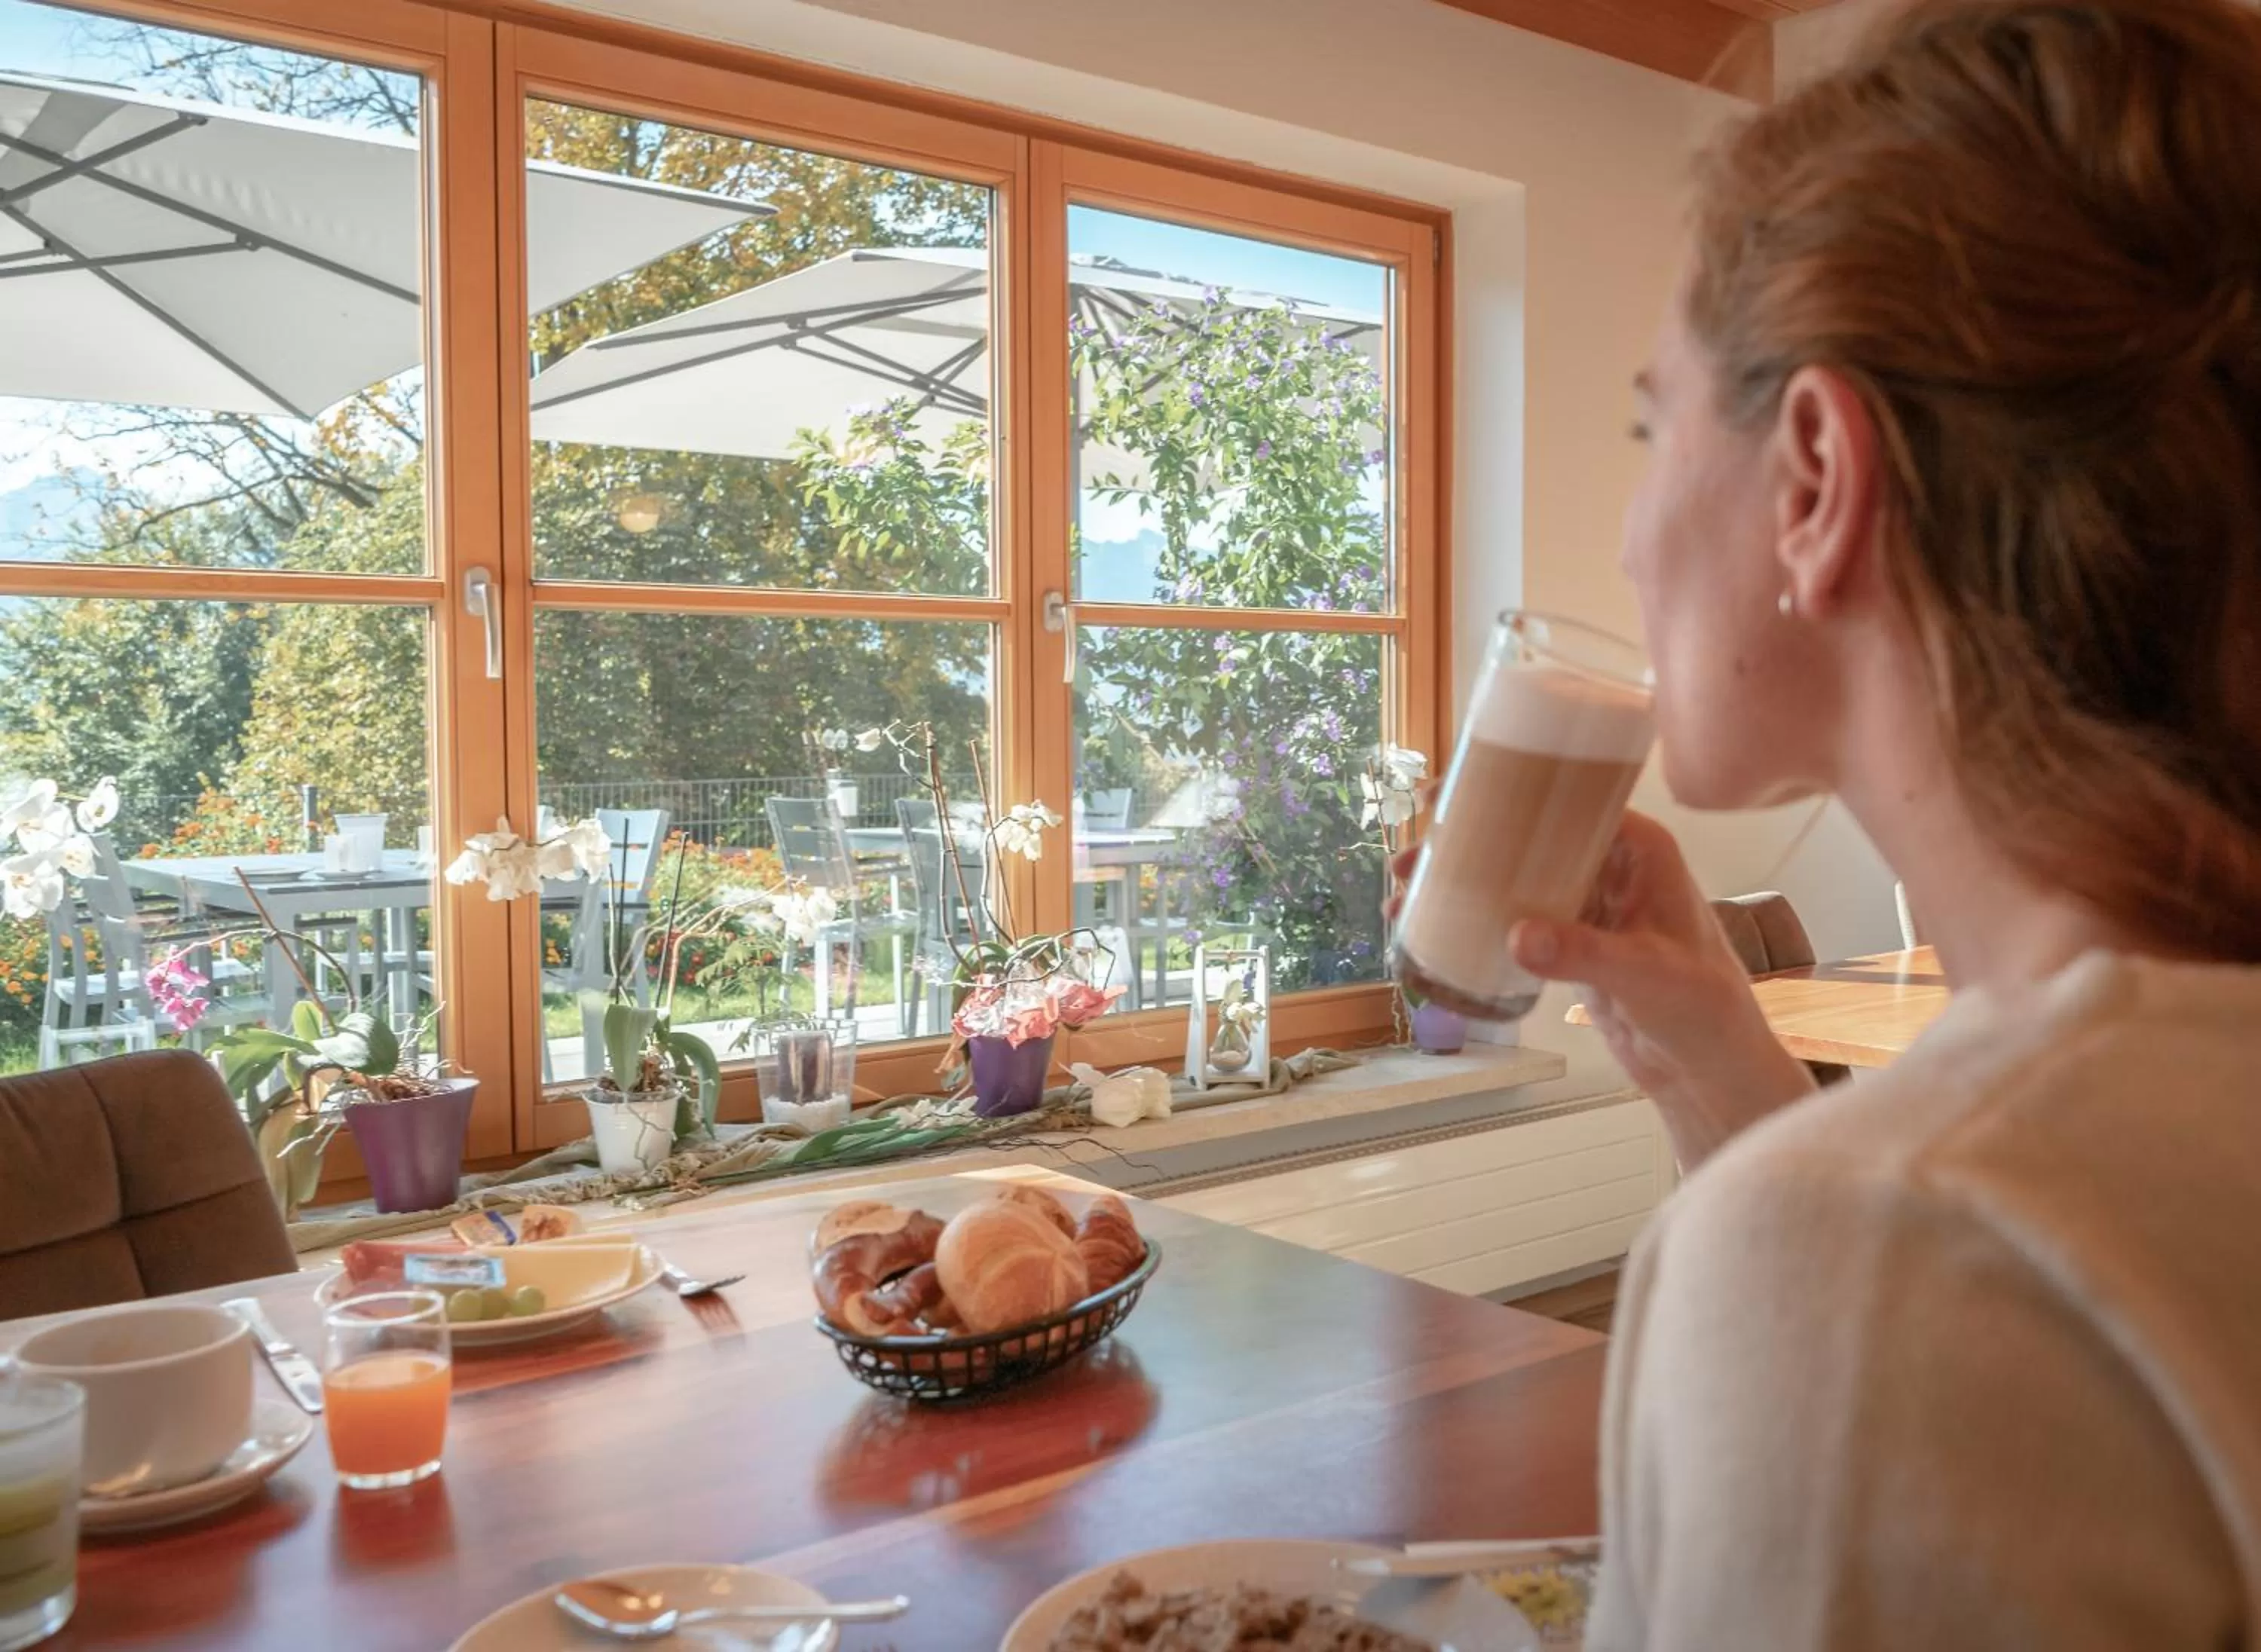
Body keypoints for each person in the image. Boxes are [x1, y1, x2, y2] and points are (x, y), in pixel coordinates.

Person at [1418, 0, 2261, 1642]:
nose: (1634, 532)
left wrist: (1829, 1210)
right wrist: (1726, 1065)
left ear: (1813, 475)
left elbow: (1912, 1283)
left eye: (1653, 428)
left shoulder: (1884, 1249)